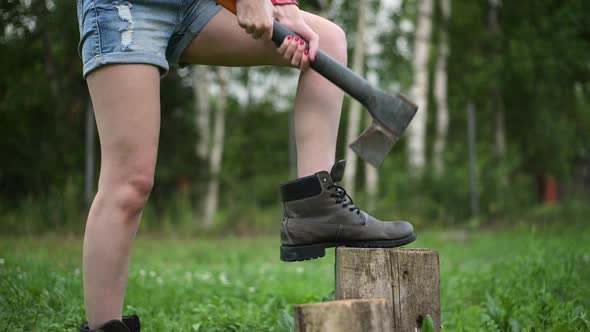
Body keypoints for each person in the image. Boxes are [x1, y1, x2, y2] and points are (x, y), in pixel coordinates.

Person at [76, 0, 416, 330]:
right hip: (126, 7)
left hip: (197, 4)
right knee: (130, 184)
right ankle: (104, 324)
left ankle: (316, 206)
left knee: (325, 39)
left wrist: (283, 5)